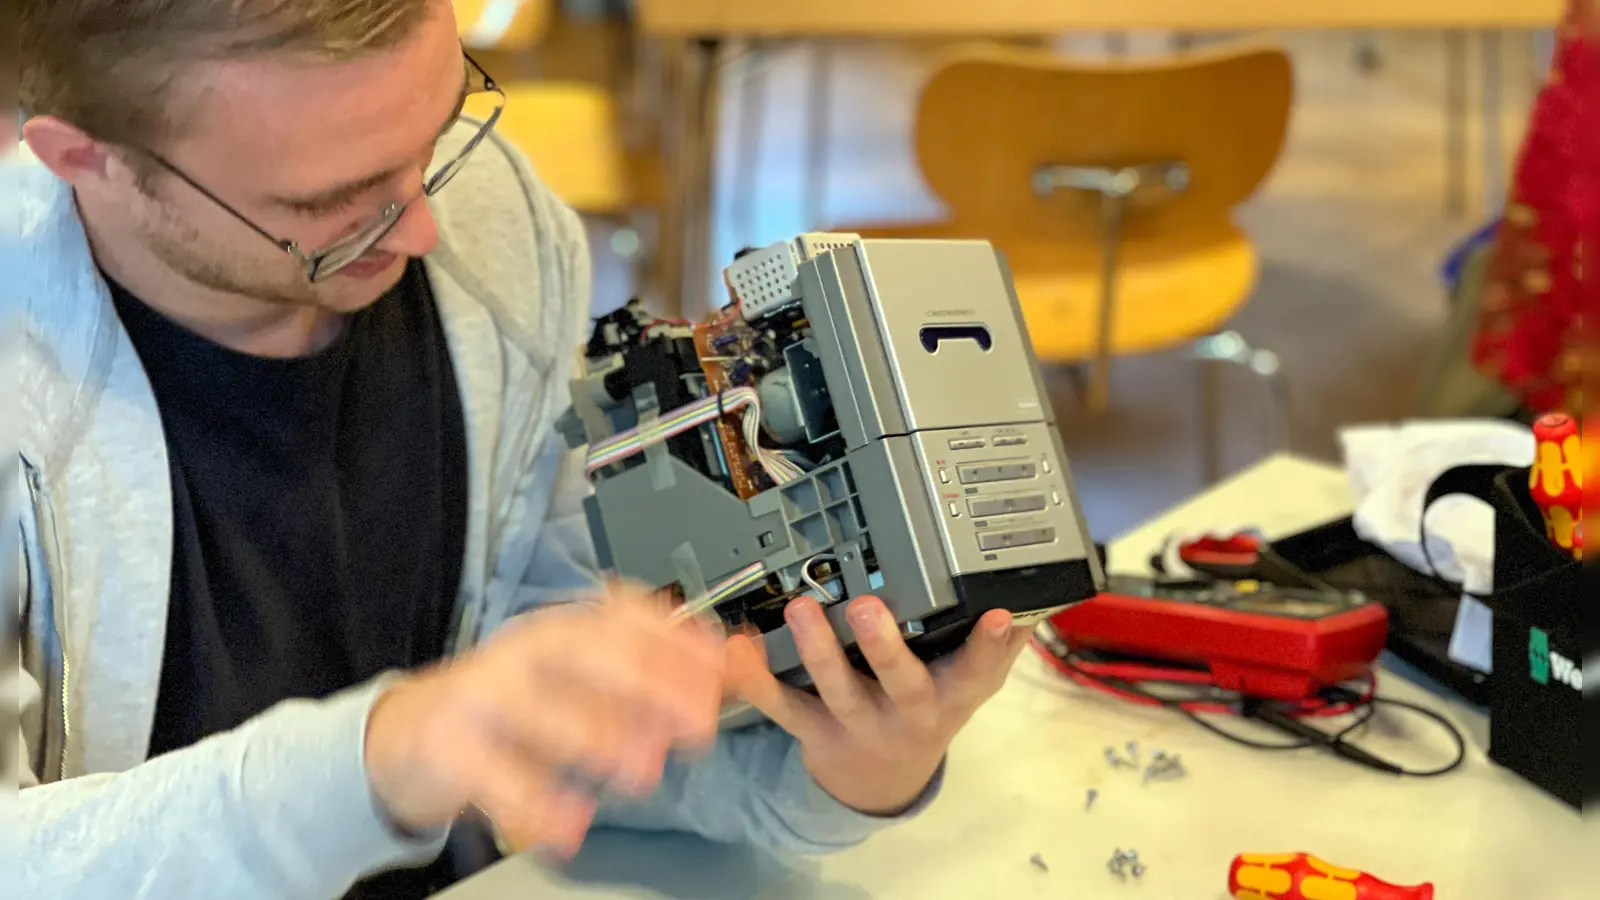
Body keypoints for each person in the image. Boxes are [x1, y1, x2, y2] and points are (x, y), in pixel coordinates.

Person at [7, 2, 1036, 898]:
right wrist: (380, 757)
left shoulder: (492, 222)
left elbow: (547, 702)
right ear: (81, 155)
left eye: (441, 126)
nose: (419, 226)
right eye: (325, 205)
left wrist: (834, 774)